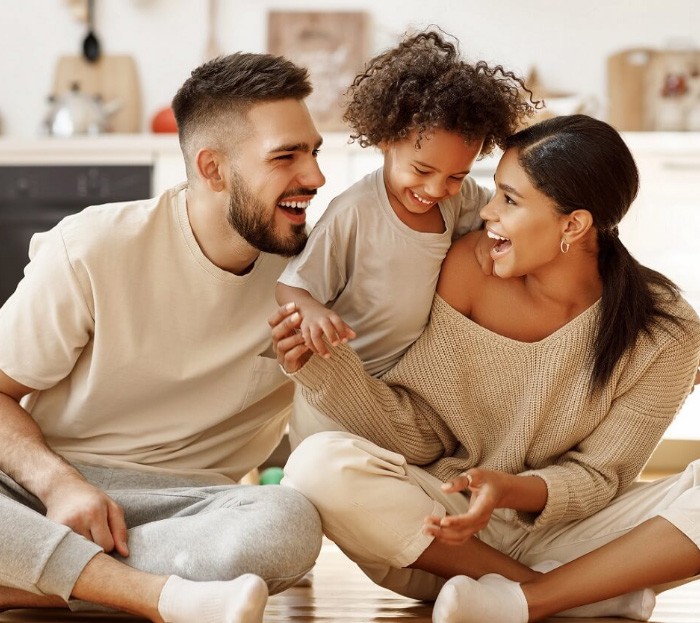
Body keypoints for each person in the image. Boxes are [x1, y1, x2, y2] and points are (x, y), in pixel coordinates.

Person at [271, 115, 700, 622]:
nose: (486, 212)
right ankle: (566, 594)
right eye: (495, 191)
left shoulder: (666, 329)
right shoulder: (469, 269)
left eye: (510, 200)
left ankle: (527, 600)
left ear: (574, 224)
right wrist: (324, 368)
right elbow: (422, 431)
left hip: (578, 534)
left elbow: (600, 478)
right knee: (316, 466)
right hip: (445, 540)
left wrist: (512, 489)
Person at [0, 52, 326, 623]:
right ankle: (160, 596)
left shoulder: (320, 272)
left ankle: (38, 575)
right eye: (286, 157)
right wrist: (60, 486)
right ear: (212, 169)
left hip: (195, 505)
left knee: (288, 524)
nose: (315, 177)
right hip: (49, 492)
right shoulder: (95, 247)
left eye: (314, 152)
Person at [276, 30, 533, 446]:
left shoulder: (459, 199)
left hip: (400, 391)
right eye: (421, 170)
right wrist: (310, 311)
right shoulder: (355, 212)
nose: (435, 189)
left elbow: (494, 217)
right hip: (335, 396)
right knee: (329, 479)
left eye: (456, 175)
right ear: (385, 139)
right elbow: (291, 286)